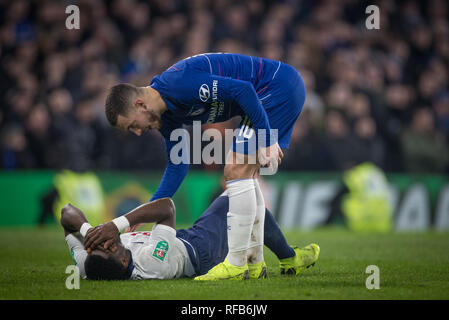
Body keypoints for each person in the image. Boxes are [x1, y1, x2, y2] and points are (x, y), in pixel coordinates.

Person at [103, 53, 306, 279]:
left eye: (133, 125)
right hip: (267, 93)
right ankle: (255, 263)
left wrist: (267, 139)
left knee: (234, 171)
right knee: (245, 172)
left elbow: (244, 90)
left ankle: (236, 265)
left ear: (140, 105)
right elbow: (178, 165)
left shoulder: (179, 85)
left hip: (277, 86)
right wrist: (145, 212)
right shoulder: (167, 118)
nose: (138, 132)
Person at [62, 194, 319, 280]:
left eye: (101, 243)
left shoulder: (89, 266)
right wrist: (115, 224)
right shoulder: (151, 263)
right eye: (110, 247)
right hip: (199, 253)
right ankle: (290, 258)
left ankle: (258, 260)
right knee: (242, 200)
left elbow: (66, 214)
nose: (107, 241)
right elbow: (167, 208)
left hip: (186, 241)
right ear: (122, 263)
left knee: (244, 205)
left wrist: (87, 232)